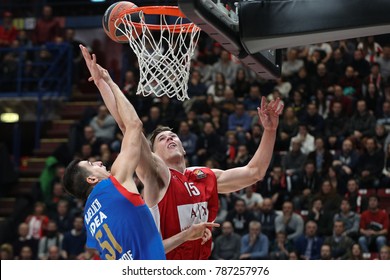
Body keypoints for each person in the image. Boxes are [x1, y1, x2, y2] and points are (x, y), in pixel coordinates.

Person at [63, 45, 216, 260]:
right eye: (92, 165)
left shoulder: (90, 216)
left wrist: (187, 234)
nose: (98, 163)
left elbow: (144, 253)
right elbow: (132, 125)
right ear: (91, 179)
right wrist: (109, 82)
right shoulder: (113, 185)